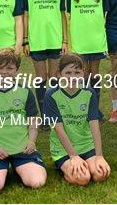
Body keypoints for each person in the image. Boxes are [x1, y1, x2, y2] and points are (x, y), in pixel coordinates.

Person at [0, 48, 46, 197]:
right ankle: (2, 168)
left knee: (37, 182)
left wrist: (31, 142)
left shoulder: (25, 91)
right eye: (0, 67)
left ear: (17, 70)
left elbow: (32, 121)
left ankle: (20, 167)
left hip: (22, 149)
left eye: (9, 68)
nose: (4, 72)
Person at [43, 54, 110, 185]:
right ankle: (67, 166)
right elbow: (59, 129)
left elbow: (94, 126)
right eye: (68, 72)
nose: (72, 77)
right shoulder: (51, 95)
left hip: (86, 145)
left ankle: (85, 163)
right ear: (59, 74)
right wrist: (73, 156)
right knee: (83, 178)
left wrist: (99, 155)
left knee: (101, 174)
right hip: (63, 149)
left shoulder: (89, 93)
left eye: (77, 72)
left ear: (83, 73)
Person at [22, 0, 68, 126]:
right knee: (41, 78)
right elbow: (25, 15)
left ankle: (54, 113)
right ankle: (44, 117)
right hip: (37, 41)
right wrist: (26, 39)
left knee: (55, 77)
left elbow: (63, 16)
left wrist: (64, 40)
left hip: (55, 40)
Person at [67, 0, 108, 84]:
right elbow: (68, 14)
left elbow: (105, 14)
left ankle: (94, 102)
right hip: (79, 41)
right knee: (82, 73)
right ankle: (84, 102)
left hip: (96, 41)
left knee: (94, 73)